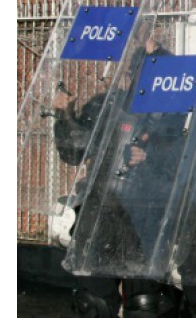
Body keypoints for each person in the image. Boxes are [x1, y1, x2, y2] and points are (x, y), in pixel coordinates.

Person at [52, 39, 183, 318]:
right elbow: (74, 152)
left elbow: (187, 157)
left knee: (145, 305)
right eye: (140, 70)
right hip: (100, 208)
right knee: (93, 303)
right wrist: (65, 115)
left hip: (145, 212)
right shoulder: (105, 104)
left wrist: (151, 156)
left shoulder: (175, 113)